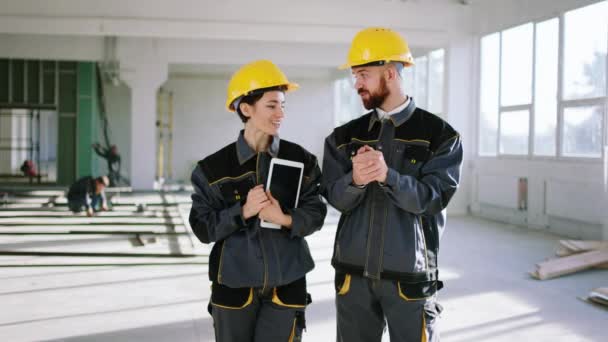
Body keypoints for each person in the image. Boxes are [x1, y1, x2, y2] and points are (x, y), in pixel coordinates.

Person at [322, 27, 463, 342]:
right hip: (353, 276)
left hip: (409, 279)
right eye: (354, 76)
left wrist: (389, 176)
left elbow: (432, 199)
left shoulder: (441, 136)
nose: (356, 83)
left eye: (363, 74)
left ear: (389, 74)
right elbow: (334, 196)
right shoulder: (343, 137)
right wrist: (355, 181)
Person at [189, 60, 327, 342]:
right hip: (234, 284)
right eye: (272, 105)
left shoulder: (301, 159)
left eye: (283, 106)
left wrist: (285, 218)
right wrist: (243, 211)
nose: (281, 114)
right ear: (246, 108)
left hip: (287, 280)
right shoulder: (212, 169)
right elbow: (203, 228)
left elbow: (317, 212)